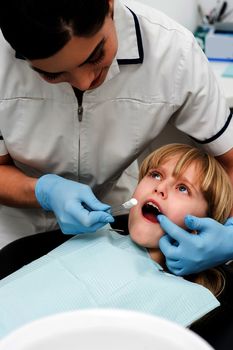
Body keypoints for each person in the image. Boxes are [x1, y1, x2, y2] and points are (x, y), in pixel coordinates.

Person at [0, 0, 233, 275]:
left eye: (96, 55)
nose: (85, 82)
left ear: (109, 5)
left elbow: (230, 162)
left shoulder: (174, 52)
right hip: (13, 233)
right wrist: (45, 192)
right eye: (52, 74)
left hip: (114, 216)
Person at [0, 143, 232, 349]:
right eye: (156, 175)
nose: (160, 188)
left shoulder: (190, 300)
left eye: (183, 188)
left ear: (203, 225)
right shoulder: (94, 239)